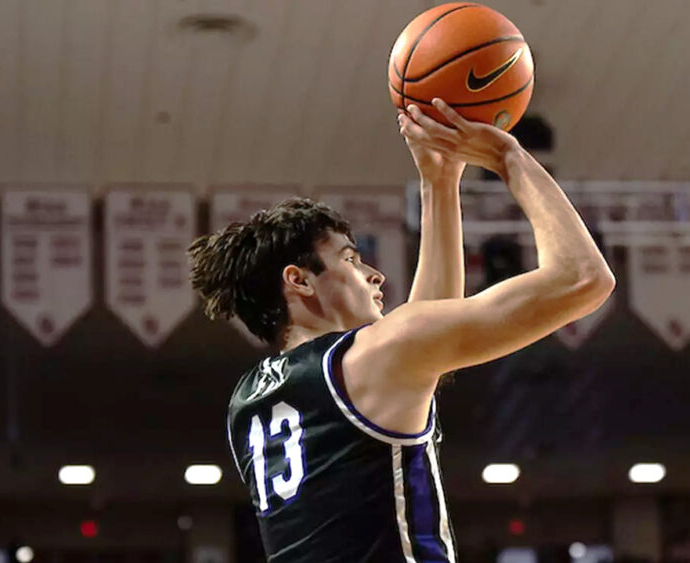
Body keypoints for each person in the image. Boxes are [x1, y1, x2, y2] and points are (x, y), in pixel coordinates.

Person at [187, 99, 615, 562]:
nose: (375, 275)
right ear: (299, 280)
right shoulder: (370, 357)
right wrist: (508, 157)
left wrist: (440, 181)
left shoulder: (247, 401)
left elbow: (427, 337)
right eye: (350, 259)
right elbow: (584, 279)